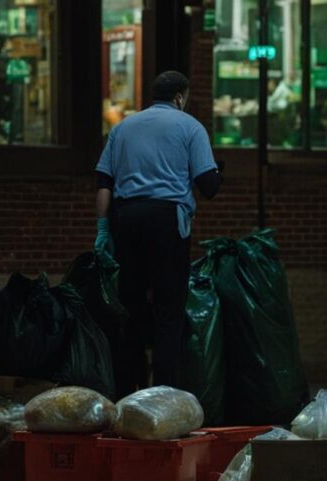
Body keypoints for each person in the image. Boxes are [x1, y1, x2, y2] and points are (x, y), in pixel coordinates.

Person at [93, 71, 223, 397]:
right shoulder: (190, 126)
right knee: (169, 310)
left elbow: (103, 184)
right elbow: (208, 186)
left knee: (131, 306)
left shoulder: (122, 127)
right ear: (180, 97)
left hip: (126, 219)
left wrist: (103, 229)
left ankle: (127, 390)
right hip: (167, 222)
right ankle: (163, 395)